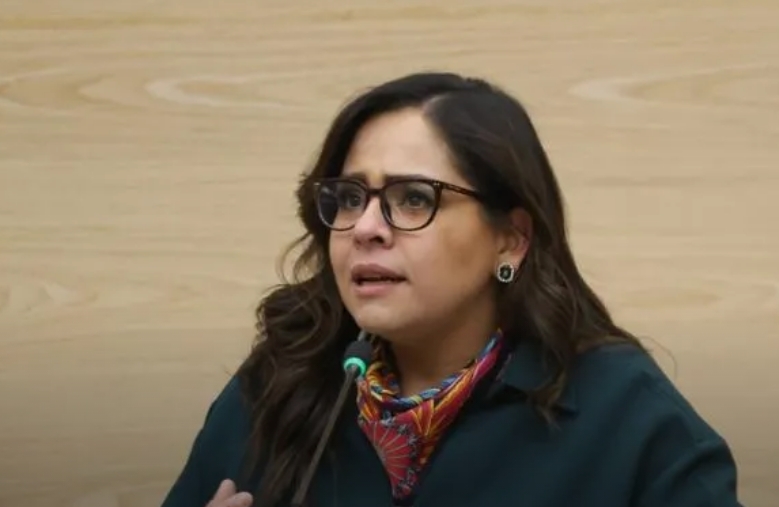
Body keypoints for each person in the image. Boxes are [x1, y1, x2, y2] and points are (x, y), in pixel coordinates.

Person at [160, 72, 743, 507]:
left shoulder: (622, 410)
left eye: (414, 198)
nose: (365, 228)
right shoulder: (278, 383)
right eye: (351, 198)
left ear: (510, 240)